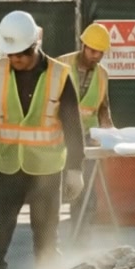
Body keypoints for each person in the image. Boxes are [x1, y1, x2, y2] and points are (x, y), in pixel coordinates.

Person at [0, 9, 85, 269]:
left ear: (34, 47)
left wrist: (75, 168)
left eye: (19, 55)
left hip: (47, 171)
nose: (13, 60)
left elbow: (73, 125)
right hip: (7, 169)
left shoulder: (59, 75)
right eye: (9, 55)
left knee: (46, 242)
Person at [58, 22, 114, 234]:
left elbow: (103, 108)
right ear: (83, 45)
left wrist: (110, 134)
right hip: (58, 136)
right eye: (92, 51)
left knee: (85, 190)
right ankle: (49, 239)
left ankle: (81, 237)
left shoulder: (102, 74)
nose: (96, 56)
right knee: (53, 189)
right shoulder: (60, 64)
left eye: (100, 53)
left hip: (87, 139)